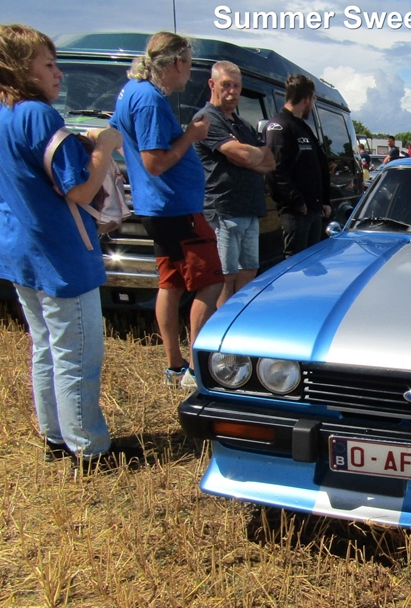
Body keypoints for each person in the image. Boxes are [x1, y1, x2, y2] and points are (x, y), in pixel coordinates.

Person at [0, 24, 138, 469]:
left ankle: (56, 436)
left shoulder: (5, 114)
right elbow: (79, 189)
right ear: (21, 68)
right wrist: (106, 146)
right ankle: (90, 448)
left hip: (22, 252)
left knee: (46, 347)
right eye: (49, 64)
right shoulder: (39, 115)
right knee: (78, 354)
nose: (58, 73)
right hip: (60, 254)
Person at [111, 31, 223, 389]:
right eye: (189, 64)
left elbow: (115, 136)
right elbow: (155, 162)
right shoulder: (149, 100)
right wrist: (191, 135)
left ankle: (175, 366)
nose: (189, 73)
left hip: (158, 206)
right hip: (175, 207)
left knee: (171, 283)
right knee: (211, 282)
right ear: (176, 62)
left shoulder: (131, 91)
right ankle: (196, 368)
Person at [193, 61, 274, 307]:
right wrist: (248, 155)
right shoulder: (207, 119)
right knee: (225, 277)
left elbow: (270, 161)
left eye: (237, 86)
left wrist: (244, 156)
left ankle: (239, 323)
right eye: (226, 85)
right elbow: (249, 156)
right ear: (212, 84)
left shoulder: (243, 124)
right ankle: (223, 326)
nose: (232, 91)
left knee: (248, 272)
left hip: (249, 210)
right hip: (223, 210)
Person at [265, 74, 332, 258]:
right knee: (295, 264)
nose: (312, 104)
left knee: (313, 262)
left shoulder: (304, 127)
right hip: (296, 213)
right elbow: (275, 170)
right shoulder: (279, 126)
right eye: (313, 99)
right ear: (307, 98)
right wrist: (297, 202)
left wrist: (324, 200)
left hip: (314, 210)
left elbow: (318, 165)